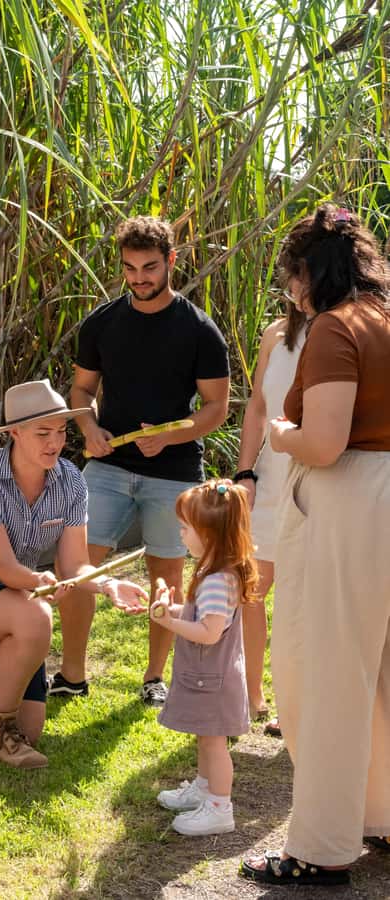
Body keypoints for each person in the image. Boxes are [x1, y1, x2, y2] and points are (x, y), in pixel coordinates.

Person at [241, 204, 390, 886]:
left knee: (325, 677)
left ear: (313, 271)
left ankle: (321, 848)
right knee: (380, 675)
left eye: (291, 276)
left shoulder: (336, 329)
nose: (289, 291)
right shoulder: (386, 320)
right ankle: (381, 816)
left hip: (350, 505)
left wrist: (279, 434)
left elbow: (325, 444)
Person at [0, 380, 149, 769]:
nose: (54, 442)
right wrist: (39, 582)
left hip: (10, 598)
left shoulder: (71, 479)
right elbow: (4, 567)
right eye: (42, 433)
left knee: (29, 731)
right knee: (36, 614)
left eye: (60, 431)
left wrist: (107, 584)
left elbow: (73, 567)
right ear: (13, 433)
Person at [49, 215, 230, 706]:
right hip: (107, 467)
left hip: (173, 471)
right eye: (130, 268)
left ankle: (154, 678)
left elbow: (217, 407)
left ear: (171, 261)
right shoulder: (103, 322)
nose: (139, 278)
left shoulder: (199, 330)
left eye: (149, 267)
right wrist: (89, 427)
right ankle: (72, 674)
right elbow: (82, 391)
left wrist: (173, 436)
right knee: (79, 568)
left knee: (166, 576)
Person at [150, 479, 257, 836]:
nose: (180, 534)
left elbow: (209, 633)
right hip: (211, 677)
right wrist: (173, 609)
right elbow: (206, 618)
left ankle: (219, 807)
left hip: (213, 679)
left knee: (214, 741)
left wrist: (169, 622)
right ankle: (204, 786)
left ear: (208, 534)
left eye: (185, 528)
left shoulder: (214, 580)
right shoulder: (217, 572)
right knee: (206, 737)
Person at [234, 304, 306, 729]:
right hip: (269, 478)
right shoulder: (274, 334)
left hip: (318, 476)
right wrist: (245, 473)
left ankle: (292, 705)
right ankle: (250, 694)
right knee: (251, 590)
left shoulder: (347, 329)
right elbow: (258, 407)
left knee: (303, 599)